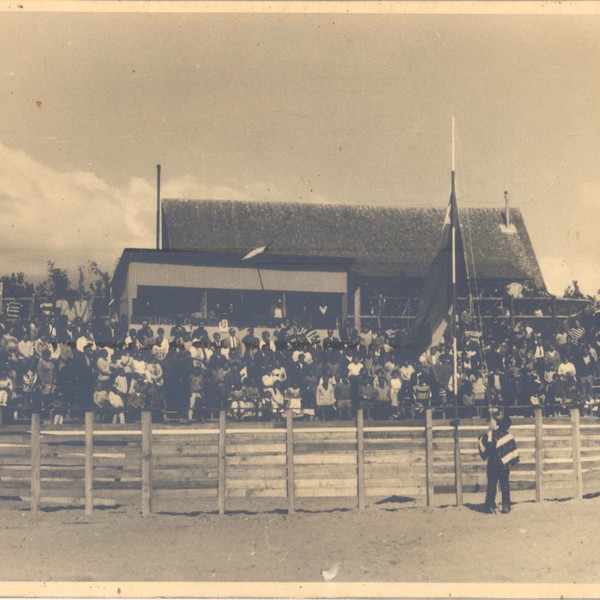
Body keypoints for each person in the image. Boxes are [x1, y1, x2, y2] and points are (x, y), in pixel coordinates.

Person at [478, 415, 519, 514]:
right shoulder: (509, 436)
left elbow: (485, 449)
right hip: (504, 465)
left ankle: (490, 506)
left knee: (492, 485)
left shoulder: (490, 434)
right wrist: (510, 462)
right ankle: (506, 506)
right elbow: (512, 451)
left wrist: (481, 439)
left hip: (492, 464)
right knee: (505, 485)